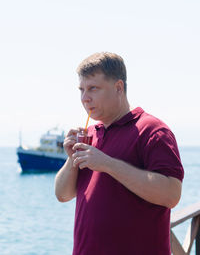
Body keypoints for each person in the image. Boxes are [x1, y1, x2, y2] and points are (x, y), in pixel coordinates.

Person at [55, 52, 184, 255]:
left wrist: (107, 164)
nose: (84, 98)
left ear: (118, 87)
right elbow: (62, 195)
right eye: (81, 89)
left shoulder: (152, 131)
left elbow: (171, 194)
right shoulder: (90, 134)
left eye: (93, 89)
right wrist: (71, 158)